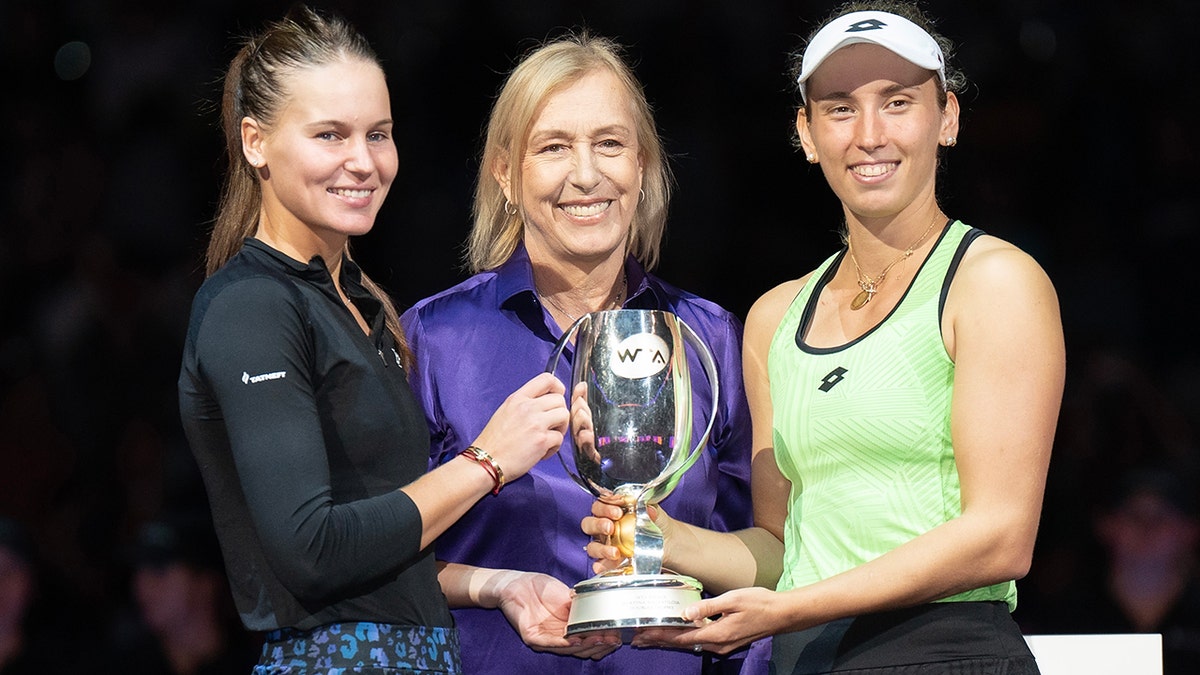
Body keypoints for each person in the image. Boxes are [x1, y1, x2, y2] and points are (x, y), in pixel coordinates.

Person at [583, 2, 1066, 673]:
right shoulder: (776, 316)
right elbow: (787, 547)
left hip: (944, 654)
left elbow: (1000, 539)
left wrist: (793, 608)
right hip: (807, 658)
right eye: (840, 108)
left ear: (946, 118)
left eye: (897, 102)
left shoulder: (994, 282)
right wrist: (662, 537)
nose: (869, 133)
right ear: (806, 133)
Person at [177, 6, 574, 673]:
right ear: (255, 142)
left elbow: (383, 549)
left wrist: (497, 584)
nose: (363, 162)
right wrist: (486, 461)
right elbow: (313, 549)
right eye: (330, 135)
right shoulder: (251, 307)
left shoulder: (360, 302)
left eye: (379, 134)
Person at [399, 31, 761, 674]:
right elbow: (374, 555)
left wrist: (672, 545)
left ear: (643, 166)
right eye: (555, 147)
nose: (587, 174)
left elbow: (766, 555)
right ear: (506, 173)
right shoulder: (435, 339)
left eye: (610, 144)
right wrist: (501, 585)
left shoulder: (711, 340)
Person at [101, 516, 258, 675]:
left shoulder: (260, 665)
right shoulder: (119, 666)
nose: (141, 585)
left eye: (159, 569)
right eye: (137, 571)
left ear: (206, 581)